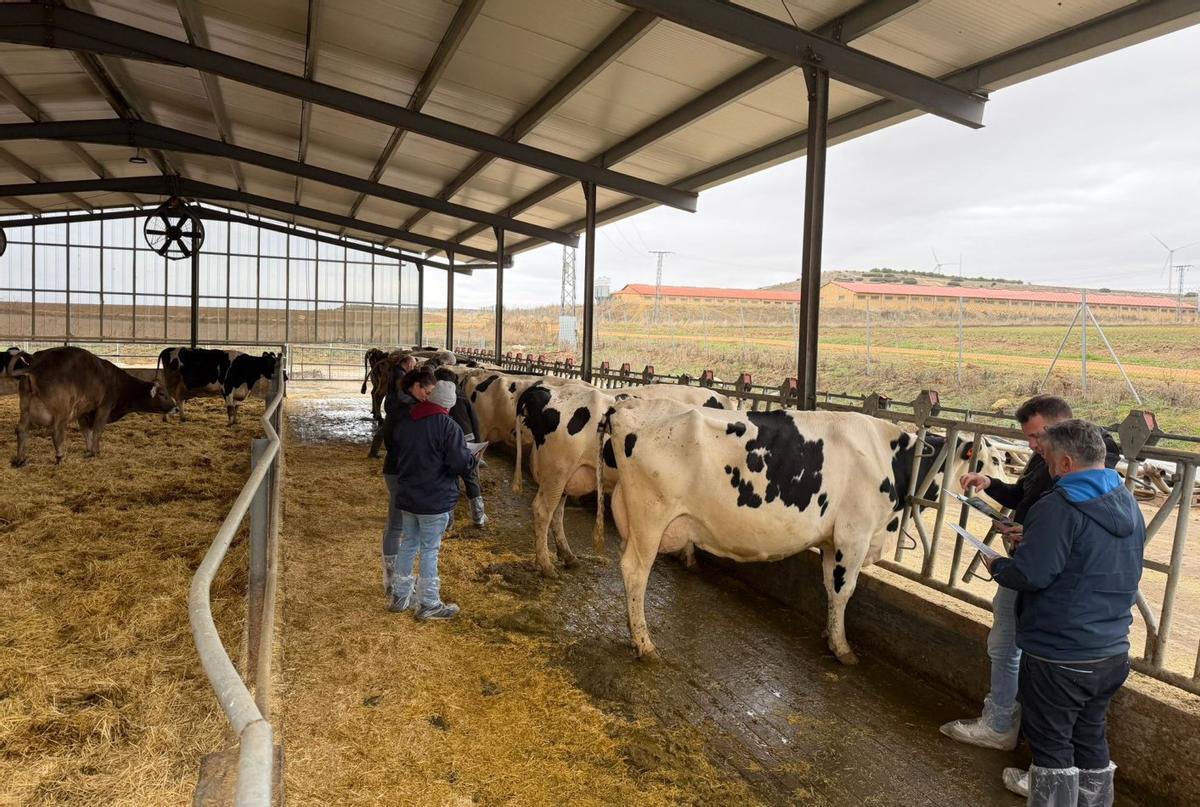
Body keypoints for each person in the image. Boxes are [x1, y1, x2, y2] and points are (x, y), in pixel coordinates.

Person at [942, 395, 1120, 797]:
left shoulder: (1066, 496)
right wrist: (994, 489)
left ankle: (1045, 774)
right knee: (1087, 724)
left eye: (1039, 438)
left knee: (1051, 713)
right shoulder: (1118, 500)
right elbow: (1028, 499)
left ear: (1066, 453)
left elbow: (1040, 567)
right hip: (1105, 639)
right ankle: (1083, 791)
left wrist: (1004, 566)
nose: (1035, 448)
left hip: (1060, 620)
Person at [984, 419, 1144, 807]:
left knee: (1052, 748)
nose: (1050, 468)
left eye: (1052, 460)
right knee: (1090, 736)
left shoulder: (1057, 506)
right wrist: (1038, 539)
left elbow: (1033, 574)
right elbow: (1089, 554)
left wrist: (997, 566)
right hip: (1110, 652)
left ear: (1067, 462)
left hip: (1060, 655)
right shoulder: (1126, 501)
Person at [387, 376, 479, 620]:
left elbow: (397, 455)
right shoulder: (448, 426)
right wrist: (473, 459)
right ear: (447, 406)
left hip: (409, 496)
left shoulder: (407, 421)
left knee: (408, 544)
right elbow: (459, 463)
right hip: (434, 500)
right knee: (430, 550)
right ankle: (428, 603)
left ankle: (399, 596)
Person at [378, 357, 420, 596]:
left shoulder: (393, 405)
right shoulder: (408, 410)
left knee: (394, 525)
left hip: (392, 468)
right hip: (404, 472)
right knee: (403, 528)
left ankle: (391, 578)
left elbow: (391, 441)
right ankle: (395, 582)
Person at [434, 366, 487, 527]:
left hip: (448, 441)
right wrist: (478, 445)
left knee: (450, 478)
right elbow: (475, 421)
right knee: (470, 477)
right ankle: (478, 517)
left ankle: (448, 521)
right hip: (467, 440)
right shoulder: (463, 396)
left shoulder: (436, 398)